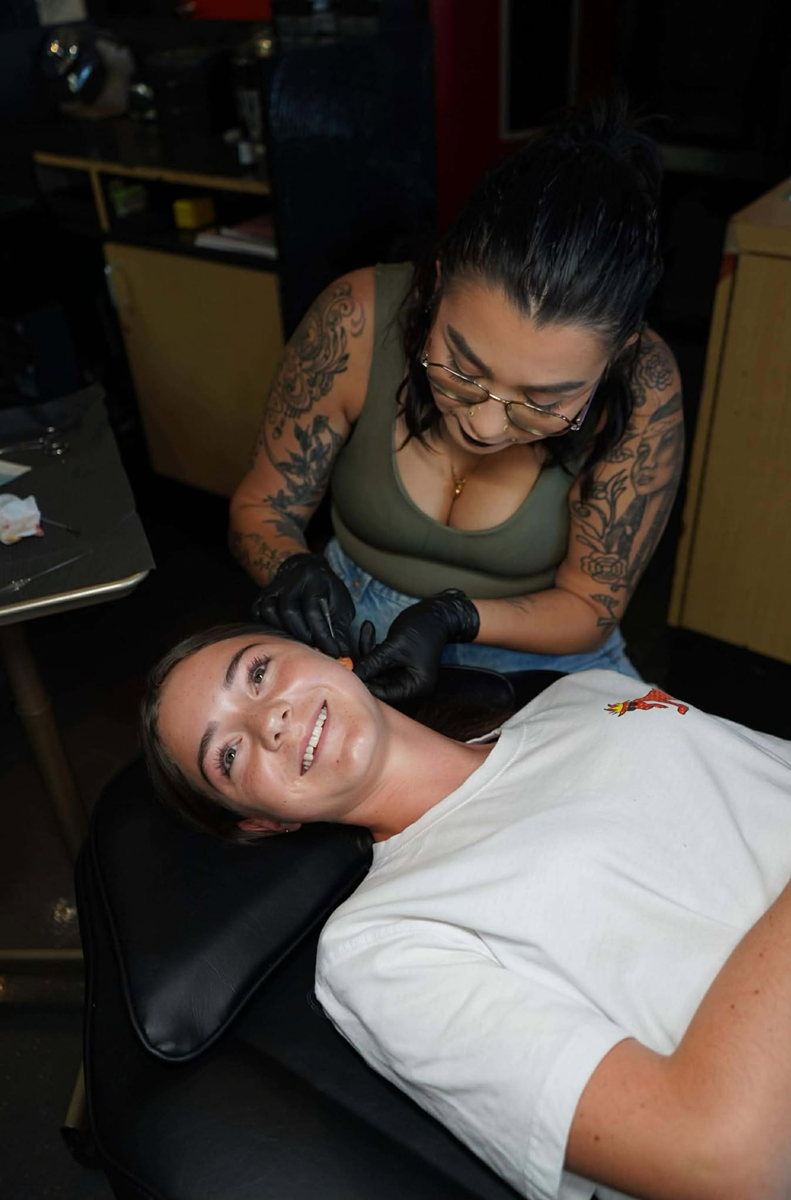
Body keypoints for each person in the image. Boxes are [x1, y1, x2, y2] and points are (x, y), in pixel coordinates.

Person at [143, 624, 791, 1200]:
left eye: (258, 673)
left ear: (328, 656)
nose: (269, 722)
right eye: (229, 754)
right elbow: (721, 1162)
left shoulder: (582, 693)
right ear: (264, 821)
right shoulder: (377, 947)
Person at [228, 100, 684, 701]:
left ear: (617, 356)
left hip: (539, 643)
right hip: (351, 621)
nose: (487, 425)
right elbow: (261, 507)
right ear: (438, 284)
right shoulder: (356, 319)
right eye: (464, 370)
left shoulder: (646, 382)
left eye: (543, 401)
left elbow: (589, 605)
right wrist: (292, 566)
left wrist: (455, 617)